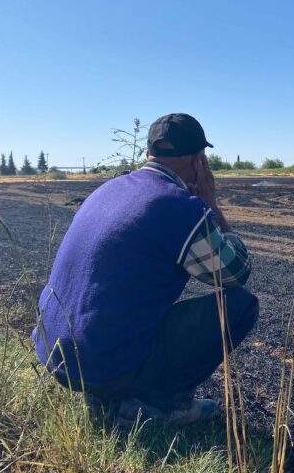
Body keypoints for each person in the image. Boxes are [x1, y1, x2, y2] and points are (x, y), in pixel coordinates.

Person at [32, 113, 258, 427]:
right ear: (197, 161)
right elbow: (234, 273)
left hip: (55, 357)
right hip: (102, 366)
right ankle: (158, 405)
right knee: (241, 305)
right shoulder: (177, 204)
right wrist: (211, 204)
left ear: (149, 154)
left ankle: (102, 393)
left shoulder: (107, 190)